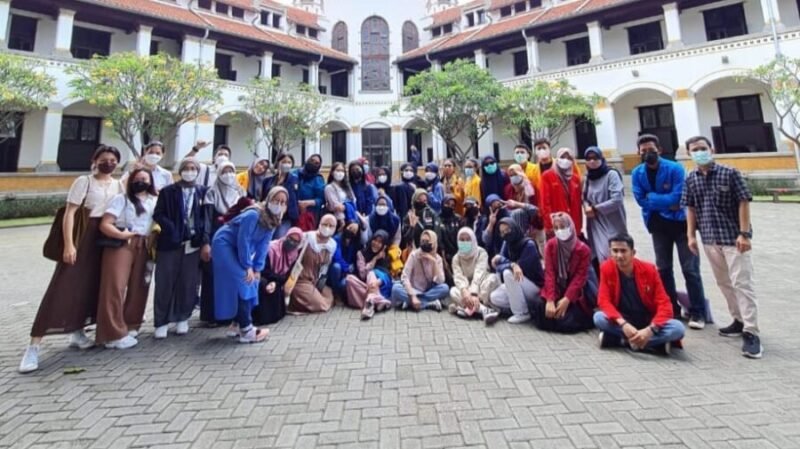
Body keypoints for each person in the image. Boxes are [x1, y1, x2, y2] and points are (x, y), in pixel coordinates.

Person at [20, 145, 123, 373]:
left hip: (104, 239)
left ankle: (78, 331)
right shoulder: (84, 181)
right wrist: (69, 244)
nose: (109, 163)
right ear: (95, 160)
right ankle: (34, 346)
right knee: (62, 287)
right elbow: (70, 213)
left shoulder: (118, 184)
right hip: (83, 236)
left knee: (92, 287)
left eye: (113, 160)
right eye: (104, 159)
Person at [682, 136, 762, 359]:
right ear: (689, 154)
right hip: (710, 239)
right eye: (695, 150)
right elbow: (690, 208)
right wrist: (690, 235)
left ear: (712, 149)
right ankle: (738, 319)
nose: (699, 152)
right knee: (724, 283)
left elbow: (743, 201)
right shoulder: (691, 178)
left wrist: (744, 233)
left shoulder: (729, 173)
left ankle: (751, 331)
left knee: (742, 283)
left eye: (703, 148)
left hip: (734, 239)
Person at [632, 134, 706, 327]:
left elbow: (678, 196)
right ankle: (671, 309)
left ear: (659, 150)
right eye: (643, 151)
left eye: (651, 150)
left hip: (681, 225)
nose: (648, 153)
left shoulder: (675, 168)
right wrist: (664, 202)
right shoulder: (637, 173)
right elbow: (640, 199)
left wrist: (653, 198)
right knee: (663, 269)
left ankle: (698, 312)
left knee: (690, 270)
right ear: (638, 152)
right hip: (657, 227)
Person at [212, 188, 287, 343]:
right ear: (269, 199)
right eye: (276, 200)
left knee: (253, 281)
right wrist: (247, 266)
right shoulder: (254, 214)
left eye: (282, 202)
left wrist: (258, 268)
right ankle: (246, 329)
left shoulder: (273, 221)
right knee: (244, 279)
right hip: (224, 244)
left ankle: (237, 323)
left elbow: (263, 245)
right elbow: (243, 240)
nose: (278, 205)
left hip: (237, 248)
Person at [95, 168, 158, 350]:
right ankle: (112, 333)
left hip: (145, 244)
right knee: (115, 286)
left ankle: (131, 325)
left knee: (140, 285)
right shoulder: (121, 199)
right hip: (123, 243)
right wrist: (121, 235)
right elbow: (105, 224)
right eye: (137, 179)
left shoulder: (155, 200)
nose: (141, 182)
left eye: (145, 179)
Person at [595, 234, 686, 355]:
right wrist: (623, 324)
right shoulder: (606, 268)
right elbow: (603, 301)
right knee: (599, 317)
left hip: (648, 320)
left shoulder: (649, 270)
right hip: (623, 319)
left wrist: (650, 330)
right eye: (615, 251)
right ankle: (654, 344)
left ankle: (623, 341)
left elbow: (665, 304)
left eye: (623, 251)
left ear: (633, 252)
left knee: (678, 328)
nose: (619, 255)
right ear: (610, 252)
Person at [151, 158, 206, 339]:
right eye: (186, 168)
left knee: (188, 282)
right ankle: (161, 321)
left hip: (192, 244)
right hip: (170, 242)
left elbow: (206, 217)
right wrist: (172, 229)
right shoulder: (168, 191)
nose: (190, 171)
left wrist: (201, 235)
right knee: (165, 281)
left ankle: (182, 317)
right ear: (180, 170)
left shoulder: (202, 191)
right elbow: (158, 214)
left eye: (193, 168)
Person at [530, 213, 594, 333]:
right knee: (538, 305)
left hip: (574, 293)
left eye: (563, 227)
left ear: (570, 226)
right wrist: (550, 300)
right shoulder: (551, 245)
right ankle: (555, 321)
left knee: (569, 319)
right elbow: (550, 274)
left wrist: (567, 299)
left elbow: (579, 278)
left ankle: (558, 322)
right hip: (557, 288)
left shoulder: (583, 250)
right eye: (556, 228)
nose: (560, 231)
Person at [199, 161, 245, 325]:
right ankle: (211, 316)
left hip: (235, 239)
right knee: (212, 277)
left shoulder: (240, 192)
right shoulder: (212, 193)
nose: (228, 175)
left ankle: (230, 314)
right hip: (216, 239)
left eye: (231, 171)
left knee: (230, 276)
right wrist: (206, 242)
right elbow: (206, 220)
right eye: (224, 171)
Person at [489, 218, 544, 324]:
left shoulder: (529, 245)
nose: (505, 234)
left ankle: (522, 313)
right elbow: (497, 266)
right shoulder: (507, 243)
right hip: (518, 285)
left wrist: (504, 262)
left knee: (508, 273)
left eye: (507, 230)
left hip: (534, 287)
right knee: (494, 297)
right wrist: (512, 264)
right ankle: (526, 307)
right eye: (502, 232)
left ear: (514, 227)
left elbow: (520, 268)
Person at [583, 146, 627, 267]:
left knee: (613, 254)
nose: (592, 161)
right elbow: (585, 197)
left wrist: (596, 209)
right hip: (595, 223)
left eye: (595, 157)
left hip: (613, 221)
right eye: (588, 158)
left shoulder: (611, 174)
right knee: (598, 255)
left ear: (601, 158)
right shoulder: (588, 177)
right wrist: (586, 208)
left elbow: (617, 200)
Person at [253, 227, 304, 326]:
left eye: (296, 241)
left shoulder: (294, 254)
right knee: (263, 285)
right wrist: (274, 281)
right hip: (261, 275)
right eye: (290, 238)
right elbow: (263, 269)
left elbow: (288, 275)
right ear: (286, 236)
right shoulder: (271, 249)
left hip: (276, 279)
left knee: (276, 289)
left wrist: (276, 282)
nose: (292, 243)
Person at [448, 227, 500, 324]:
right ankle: (484, 310)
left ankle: (468, 308)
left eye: (468, 239)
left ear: (473, 239)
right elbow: (458, 277)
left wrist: (474, 294)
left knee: (493, 278)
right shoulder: (456, 258)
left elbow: (479, 273)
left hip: (481, 284)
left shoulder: (481, 252)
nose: (465, 242)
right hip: (467, 287)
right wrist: (465, 291)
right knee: (453, 291)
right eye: (462, 240)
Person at [288, 214, 338, 314]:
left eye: (331, 226)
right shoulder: (307, 237)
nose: (327, 228)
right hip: (299, 280)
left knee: (329, 293)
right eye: (325, 224)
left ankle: (315, 299)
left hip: (314, 281)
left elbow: (325, 267)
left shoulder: (332, 245)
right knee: (321, 305)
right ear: (319, 224)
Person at [392, 230, 449, 311]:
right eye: (422, 241)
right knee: (396, 288)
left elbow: (440, 281)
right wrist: (413, 296)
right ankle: (429, 303)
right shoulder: (414, 255)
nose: (424, 243)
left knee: (445, 288)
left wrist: (434, 262)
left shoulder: (437, 258)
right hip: (413, 289)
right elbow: (405, 276)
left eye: (427, 241)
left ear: (433, 243)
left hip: (428, 291)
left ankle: (410, 303)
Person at [345, 230, 394, 319]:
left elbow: (387, 276)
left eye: (380, 242)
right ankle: (377, 301)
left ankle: (370, 304)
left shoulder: (386, 255)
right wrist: (375, 259)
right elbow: (362, 274)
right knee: (349, 279)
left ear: (384, 245)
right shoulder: (361, 253)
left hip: (380, 287)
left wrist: (377, 282)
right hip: (365, 286)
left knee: (371, 274)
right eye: (375, 240)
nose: (376, 244)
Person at [540, 147, 582, 238]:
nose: (565, 160)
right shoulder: (547, 176)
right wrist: (549, 224)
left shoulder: (575, 178)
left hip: (573, 224)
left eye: (569, 158)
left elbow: (578, 204)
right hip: (557, 225)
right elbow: (545, 203)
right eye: (562, 157)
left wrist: (579, 226)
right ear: (557, 159)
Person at [262, 152, 300, 239]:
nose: (286, 164)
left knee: (279, 239)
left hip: (285, 218)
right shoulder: (268, 180)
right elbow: (264, 197)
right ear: (278, 162)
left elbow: (295, 198)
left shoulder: (294, 180)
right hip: (268, 216)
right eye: (284, 162)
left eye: (289, 162)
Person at [369, 193, 403, 277]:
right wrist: (378, 247)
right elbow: (369, 237)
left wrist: (392, 249)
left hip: (390, 245)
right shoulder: (371, 219)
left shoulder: (395, 220)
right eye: (379, 204)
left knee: (395, 253)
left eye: (384, 205)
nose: (381, 207)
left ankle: (395, 274)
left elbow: (397, 238)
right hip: (374, 245)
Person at [329, 220, 365, 298]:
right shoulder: (336, 239)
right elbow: (337, 257)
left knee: (344, 284)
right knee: (336, 266)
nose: (351, 231)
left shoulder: (355, 243)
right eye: (350, 228)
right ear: (346, 226)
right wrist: (347, 268)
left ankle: (339, 293)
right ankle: (336, 293)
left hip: (347, 274)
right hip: (336, 271)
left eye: (354, 230)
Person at [295, 154, 326, 231]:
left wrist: (308, 203)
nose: (313, 163)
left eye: (316, 163)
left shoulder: (319, 179)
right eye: (312, 160)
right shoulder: (295, 173)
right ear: (307, 160)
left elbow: (322, 199)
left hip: (309, 215)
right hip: (292, 212)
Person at [476, 194, 508, 260]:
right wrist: (491, 224)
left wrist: (516, 204)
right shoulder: (485, 220)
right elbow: (485, 240)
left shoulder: (508, 216)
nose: (496, 210)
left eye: (498, 206)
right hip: (492, 255)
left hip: (508, 254)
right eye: (493, 207)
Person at [437, 195, 463, 265]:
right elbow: (439, 240)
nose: (449, 207)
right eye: (447, 204)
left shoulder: (458, 219)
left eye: (452, 205)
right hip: (443, 255)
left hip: (459, 255)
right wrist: (443, 258)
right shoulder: (437, 219)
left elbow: (463, 237)